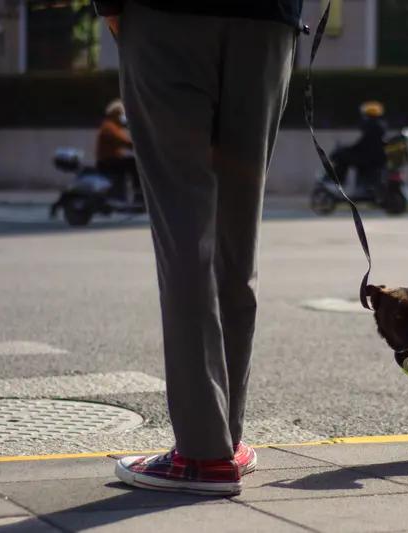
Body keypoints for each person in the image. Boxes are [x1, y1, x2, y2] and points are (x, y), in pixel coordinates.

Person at [92, 0, 300, 496]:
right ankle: (224, 441)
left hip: (165, 17)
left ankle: (204, 454)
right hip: (268, 22)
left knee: (184, 233)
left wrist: (112, 7)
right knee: (238, 234)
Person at [332, 101, 387, 192]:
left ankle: (338, 184)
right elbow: (364, 144)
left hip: (369, 159)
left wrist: (344, 149)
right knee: (344, 155)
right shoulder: (380, 125)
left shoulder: (371, 126)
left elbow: (362, 146)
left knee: (341, 157)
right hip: (375, 158)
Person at [95, 99, 139, 202]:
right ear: (116, 114)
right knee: (135, 164)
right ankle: (138, 195)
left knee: (131, 162)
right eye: (122, 113)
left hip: (111, 160)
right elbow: (122, 141)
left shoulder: (112, 126)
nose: (123, 116)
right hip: (108, 161)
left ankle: (131, 195)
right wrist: (137, 146)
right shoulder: (109, 127)